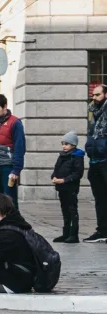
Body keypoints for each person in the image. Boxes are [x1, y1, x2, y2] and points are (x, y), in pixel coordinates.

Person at [52, 130, 85, 243]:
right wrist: (54, 177)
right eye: (63, 144)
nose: (64, 146)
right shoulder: (62, 156)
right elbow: (56, 168)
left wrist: (64, 180)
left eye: (66, 144)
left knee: (72, 210)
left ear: (73, 145)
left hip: (70, 188)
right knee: (64, 210)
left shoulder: (77, 157)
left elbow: (77, 173)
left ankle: (73, 235)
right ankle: (65, 233)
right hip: (61, 188)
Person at [85, 84, 107, 242]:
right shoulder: (93, 112)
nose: (94, 98)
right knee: (100, 198)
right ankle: (102, 230)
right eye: (93, 95)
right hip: (94, 160)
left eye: (98, 95)